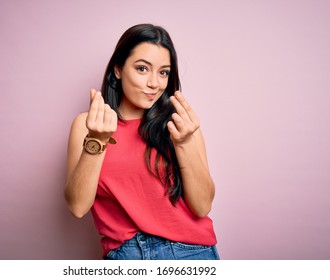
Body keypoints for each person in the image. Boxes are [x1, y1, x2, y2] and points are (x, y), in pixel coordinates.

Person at [64, 23, 219, 260]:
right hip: (126, 256)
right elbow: (77, 206)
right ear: (118, 69)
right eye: (142, 69)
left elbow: (202, 206)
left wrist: (184, 143)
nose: (154, 83)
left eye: (164, 72)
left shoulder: (181, 124)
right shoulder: (88, 125)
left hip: (189, 254)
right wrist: (98, 140)